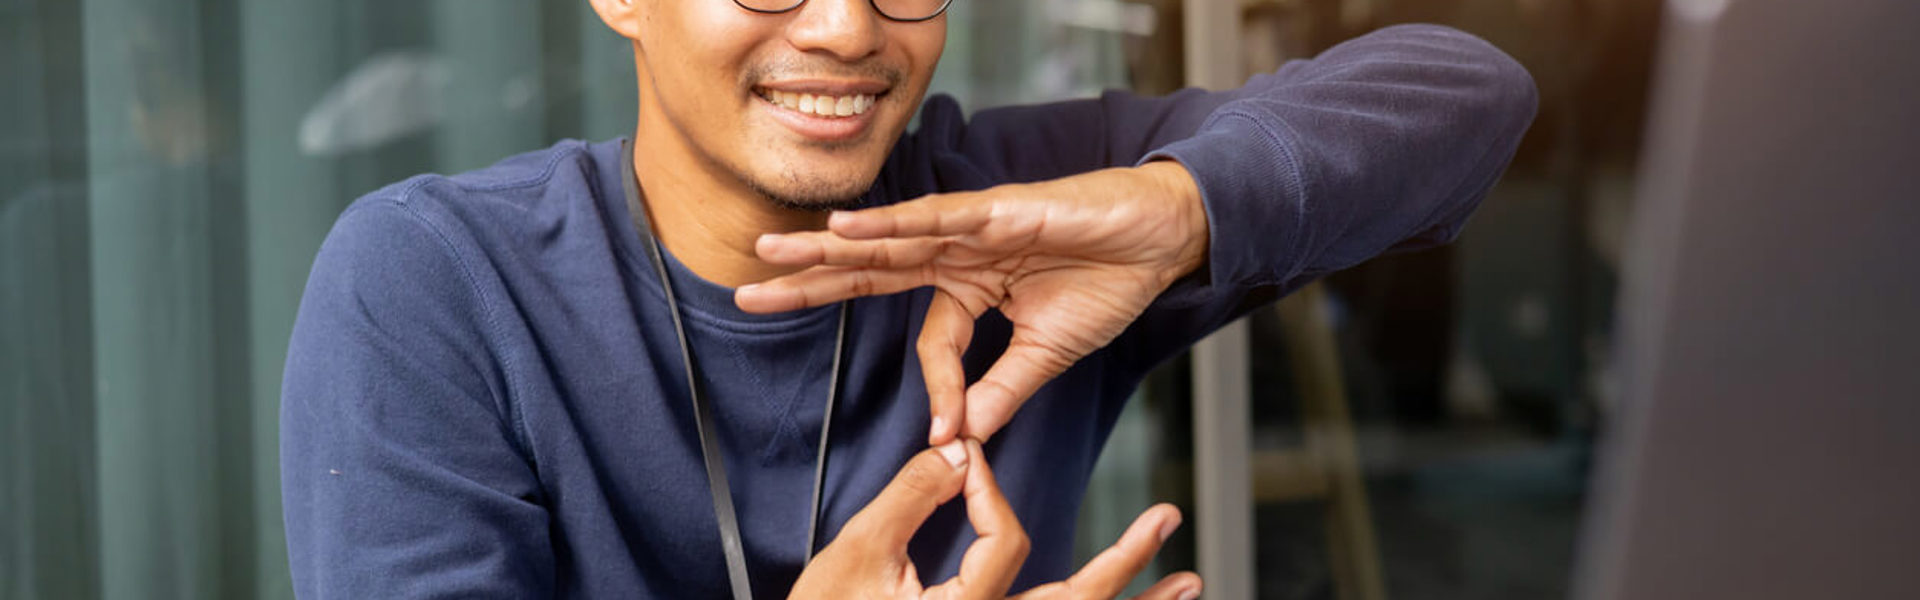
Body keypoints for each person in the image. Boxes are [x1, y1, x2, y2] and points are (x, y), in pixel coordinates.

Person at [278, 0, 1537, 597]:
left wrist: (1171, 211)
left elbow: (1469, 94)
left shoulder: (1019, 211)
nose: (843, 28)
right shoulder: (433, 282)